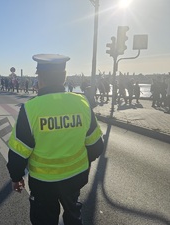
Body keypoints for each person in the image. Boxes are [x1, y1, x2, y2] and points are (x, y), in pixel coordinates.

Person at [7, 54, 104, 225]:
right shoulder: (81, 102)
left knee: (44, 220)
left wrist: (16, 177)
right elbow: (96, 146)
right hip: (75, 178)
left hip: (43, 183)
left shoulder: (31, 109)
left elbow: (18, 151)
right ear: (64, 78)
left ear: (40, 80)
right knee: (74, 216)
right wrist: (86, 164)